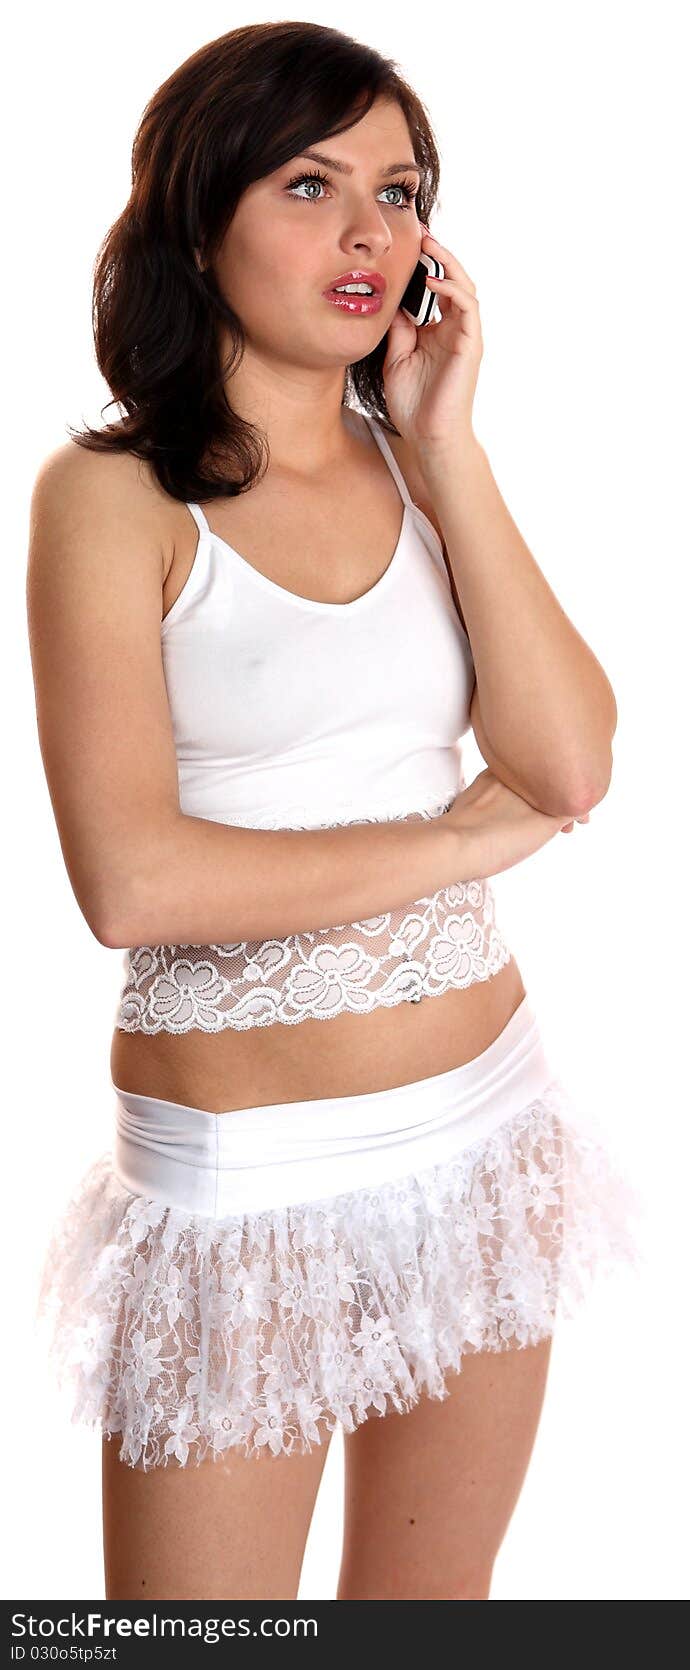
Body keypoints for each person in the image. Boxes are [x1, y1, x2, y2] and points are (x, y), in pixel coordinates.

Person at [26, 21, 641, 1602]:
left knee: (427, 1621)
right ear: (194, 214)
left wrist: (446, 442)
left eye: (402, 189)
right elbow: (134, 883)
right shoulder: (111, 497)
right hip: (240, 1189)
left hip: (483, 1133)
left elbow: (567, 765)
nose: (374, 233)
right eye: (313, 184)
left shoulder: (417, 461)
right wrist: (452, 841)